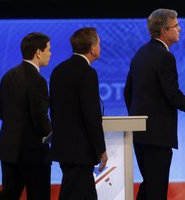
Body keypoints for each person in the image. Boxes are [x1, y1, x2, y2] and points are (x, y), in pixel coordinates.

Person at [124, 8, 185, 200]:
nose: (180, 29)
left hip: (140, 134)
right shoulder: (164, 57)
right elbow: (172, 94)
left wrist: (136, 119)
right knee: (156, 188)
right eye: (175, 26)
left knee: (150, 184)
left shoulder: (140, 54)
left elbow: (128, 91)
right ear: (164, 31)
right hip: (157, 135)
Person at [49, 27, 108, 200]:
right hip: (80, 150)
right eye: (99, 43)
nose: (100, 47)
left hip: (63, 148)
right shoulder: (87, 73)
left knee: (78, 192)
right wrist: (101, 149)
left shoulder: (58, 70)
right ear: (92, 48)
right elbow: (91, 116)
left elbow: (54, 109)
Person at [0, 32, 52, 200]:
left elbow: (1, 112)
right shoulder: (37, 80)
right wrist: (53, 134)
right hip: (33, 153)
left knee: (9, 194)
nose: (50, 53)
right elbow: (40, 118)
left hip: (9, 150)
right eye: (48, 49)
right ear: (38, 52)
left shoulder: (8, 76)